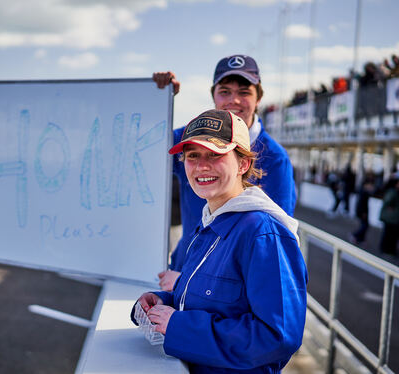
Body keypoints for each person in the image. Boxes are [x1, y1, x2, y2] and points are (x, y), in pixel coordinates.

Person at [132, 109, 308, 373]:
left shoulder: (262, 233)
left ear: (243, 164)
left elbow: (277, 337)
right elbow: (217, 303)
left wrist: (178, 326)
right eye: (193, 156)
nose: (202, 166)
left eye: (215, 155)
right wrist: (164, 301)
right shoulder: (210, 222)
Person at [154, 54, 296, 291]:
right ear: (213, 96)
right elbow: (147, 145)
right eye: (225, 92)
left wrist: (195, 283)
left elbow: (277, 239)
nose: (234, 100)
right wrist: (159, 99)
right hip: (183, 270)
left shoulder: (276, 159)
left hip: (226, 285)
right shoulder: (190, 137)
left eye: (244, 92)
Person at [379, 177, 399, 257]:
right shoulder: (392, 192)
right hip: (391, 218)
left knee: (391, 235)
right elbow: (388, 202)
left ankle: (388, 250)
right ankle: (386, 250)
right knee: (389, 235)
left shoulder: (394, 192)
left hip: (392, 218)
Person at [351, 177, 374, 245]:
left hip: (362, 212)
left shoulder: (363, 191)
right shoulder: (363, 191)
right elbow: (361, 203)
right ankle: (355, 235)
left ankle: (360, 239)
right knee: (365, 226)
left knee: (364, 225)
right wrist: (363, 212)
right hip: (362, 212)